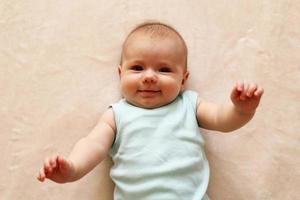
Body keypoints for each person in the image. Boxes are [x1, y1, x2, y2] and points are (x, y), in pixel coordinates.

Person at [37, 22, 264, 200]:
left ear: (183, 79)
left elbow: (221, 120)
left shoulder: (189, 105)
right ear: (120, 74)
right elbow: (92, 145)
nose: (148, 76)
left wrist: (241, 110)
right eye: (137, 68)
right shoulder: (116, 116)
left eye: (164, 69)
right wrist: (73, 168)